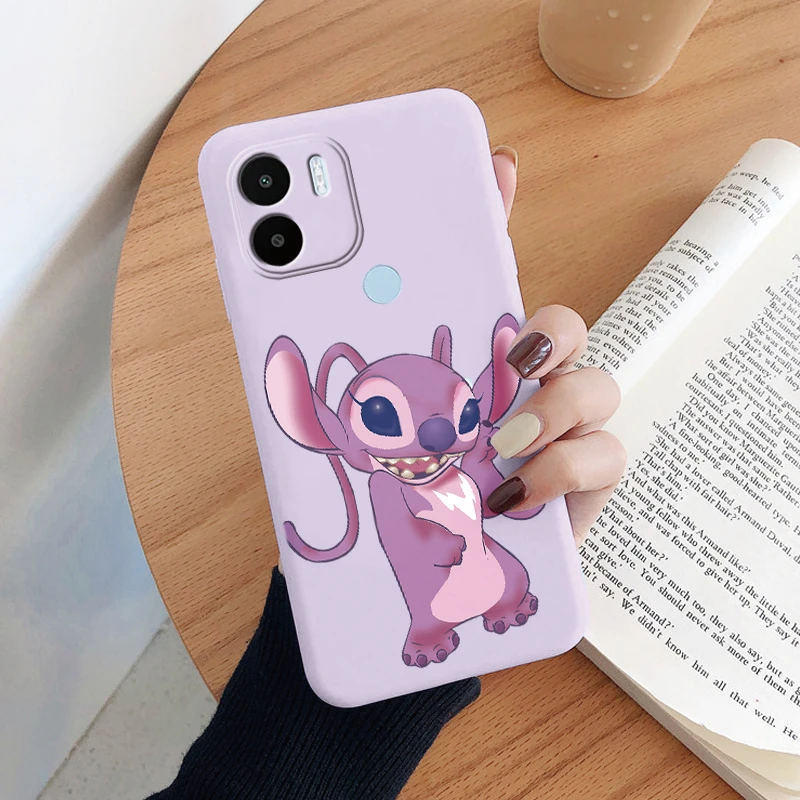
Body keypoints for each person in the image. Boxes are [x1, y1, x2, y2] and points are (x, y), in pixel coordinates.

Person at [148, 147, 625, 800]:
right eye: (379, 414)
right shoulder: (379, 484)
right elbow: (402, 559)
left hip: (476, 591)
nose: (434, 435)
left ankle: (503, 595)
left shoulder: (462, 447)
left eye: (457, 411)